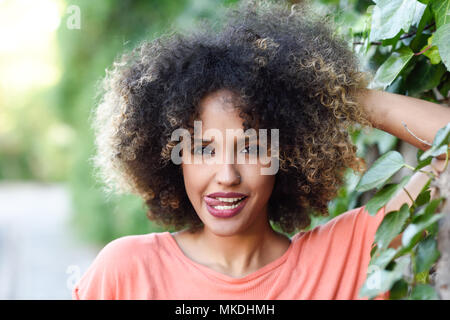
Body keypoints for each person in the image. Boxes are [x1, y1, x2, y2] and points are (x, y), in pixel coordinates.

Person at [72, 0, 450, 300]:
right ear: (172, 159)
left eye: (251, 148)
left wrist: (335, 97)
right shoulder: (125, 272)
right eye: (203, 149)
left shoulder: (348, 254)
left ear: (286, 154)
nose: (227, 175)